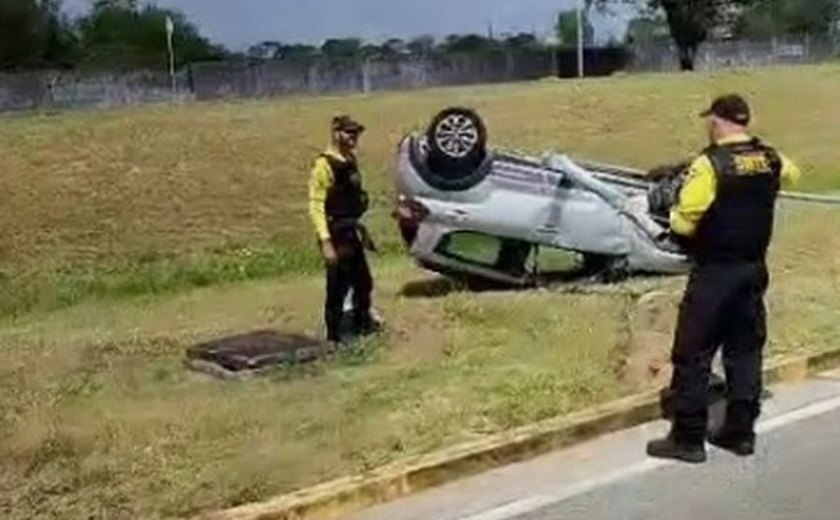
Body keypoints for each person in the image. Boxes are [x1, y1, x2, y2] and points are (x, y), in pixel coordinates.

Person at [646, 94, 801, 463]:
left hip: (715, 273)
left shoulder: (708, 165)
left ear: (716, 122)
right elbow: (792, 174)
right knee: (745, 351)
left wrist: (673, 207)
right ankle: (740, 432)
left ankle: (687, 438)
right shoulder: (770, 158)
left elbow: (685, 223)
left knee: (692, 354)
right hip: (753, 270)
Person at [309, 115, 380, 345]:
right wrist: (326, 242)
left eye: (356, 133)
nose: (354, 137)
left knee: (363, 283)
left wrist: (363, 232)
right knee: (337, 287)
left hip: (351, 230)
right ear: (336, 133)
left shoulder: (349, 160)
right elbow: (316, 205)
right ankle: (334, 338)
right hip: (335, 232)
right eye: (349, 133)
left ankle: (361, 327)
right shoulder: (324, 165)